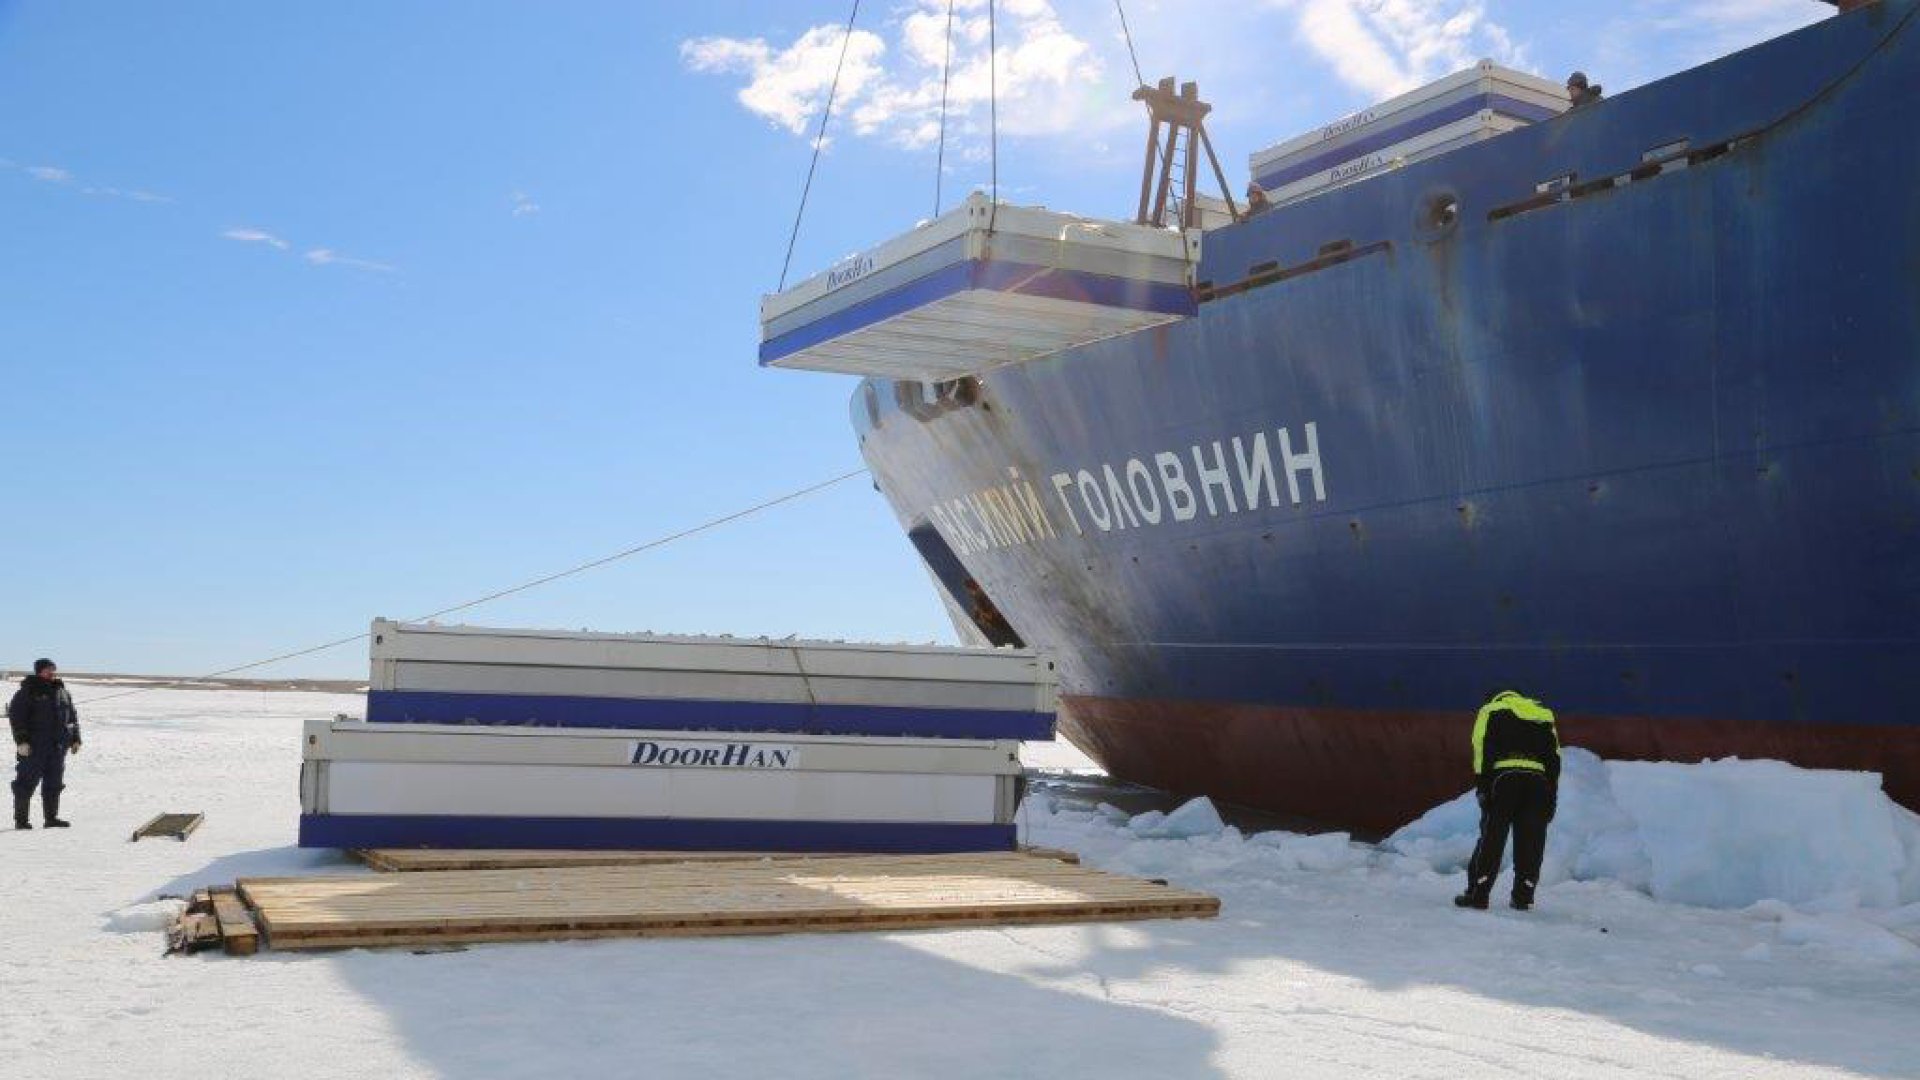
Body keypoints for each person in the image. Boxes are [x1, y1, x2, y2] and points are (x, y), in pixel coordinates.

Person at [1454, 689, 1560, 911]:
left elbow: (1482, 749)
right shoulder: (1542, 714)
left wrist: (1483, 787)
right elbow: (1554, 759)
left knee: (1492, 836)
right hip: (1538, 782)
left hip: (1505, 779)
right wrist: (1551, 797)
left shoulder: (1491, 710)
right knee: (1531, 840)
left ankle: (1478, 895)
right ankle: (1523, 898)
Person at [10, 658, 81, 830]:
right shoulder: (28, 691)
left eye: (53, 669)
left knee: (53, 783)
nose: (52, 672)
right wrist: (22, 741)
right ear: (39, 671)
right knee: (25, 783)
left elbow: (71, 718)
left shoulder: (62, 691)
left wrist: (75, 738)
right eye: (48, 669)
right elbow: (17, 717)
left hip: (57, 748)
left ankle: (51, 818)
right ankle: (21, 821)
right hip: (34, 747)